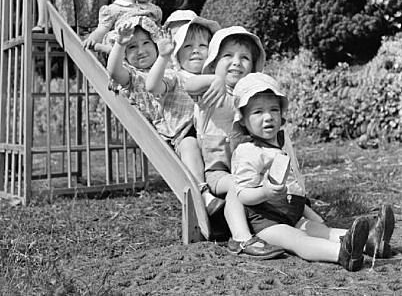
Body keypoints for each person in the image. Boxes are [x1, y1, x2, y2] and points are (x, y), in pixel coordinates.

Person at [230, 72, 395, 271]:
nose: (268, 117)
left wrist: (308, 211)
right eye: (257, 112)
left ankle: (371, 241)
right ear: (243, 120)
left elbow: (294, 185)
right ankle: (342, 253)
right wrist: (264, 192)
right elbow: (242, 194)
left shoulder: (282, 141)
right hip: (267, 221)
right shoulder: (248, 151)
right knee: (298, 239)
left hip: (293, 212)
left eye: (274, 109)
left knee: (322, 230)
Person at [184, 26, 284, 259]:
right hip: (219, 173)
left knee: (280, 188)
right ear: (213, 61)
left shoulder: (250, 100)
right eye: (228, 56)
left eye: (245, 58)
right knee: (238, 186)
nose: (236, 62)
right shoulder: (211, 91)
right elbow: (188, 86)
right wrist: (214, 80)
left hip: (251, 168)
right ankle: (241, 239)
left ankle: (322, 227)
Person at [146, 16, 226, 215]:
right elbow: (153, 86)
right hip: (184, 132)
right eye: (188, 46)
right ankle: (203, 193)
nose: (196, 50)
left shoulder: (217, 76)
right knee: (190, 145)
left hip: (211, 132)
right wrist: (163, 57)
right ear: (177, 54)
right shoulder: (175, 76)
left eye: (202, 45)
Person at [106, 15, 164, 124]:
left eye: (146, 43)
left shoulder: (167, 67)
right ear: (125, 55)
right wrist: (120, 44)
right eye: (132, 47)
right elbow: (114, 72)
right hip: (156, 132)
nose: (141, 51)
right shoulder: (133, 75)